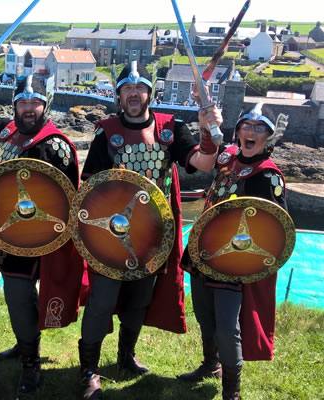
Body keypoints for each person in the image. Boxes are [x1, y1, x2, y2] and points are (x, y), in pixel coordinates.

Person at [77, 61, 222, 399]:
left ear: (149, 93)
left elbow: (204, 163)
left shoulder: (170, 129)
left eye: (140, 88)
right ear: (119, 94)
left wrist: (207, 130)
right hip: (109, 232)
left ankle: (126, 356)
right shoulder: (106, 131)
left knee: (139, 300)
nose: (134, 93)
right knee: (101, 301)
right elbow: (90, 186)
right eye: (127, 88)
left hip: (153, 234)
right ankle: (88, 371)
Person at [0, 65, 86, 396]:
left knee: (19, 298)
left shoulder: (54, 146)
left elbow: (65, 200)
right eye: (22, 101)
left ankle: (31, 364)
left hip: (38, 238)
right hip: (5, 233)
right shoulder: (7, 131)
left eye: (35, 102)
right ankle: (25, 344)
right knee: (17, 297)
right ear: (15, 105)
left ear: (45, 104)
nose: (29, 108)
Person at [178, 103, 288, 400]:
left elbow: (276, 228)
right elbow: (209, 146)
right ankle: (210, 365)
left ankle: (231, 392)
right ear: (238, 131)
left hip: (236, 262)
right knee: (205, 315)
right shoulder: (227, 157)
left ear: (269, 137)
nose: (251, 132)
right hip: (205, 252)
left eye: (259, 128)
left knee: (227, 327)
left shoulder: (268, 176)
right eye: (247, 126)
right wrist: (206, 124)